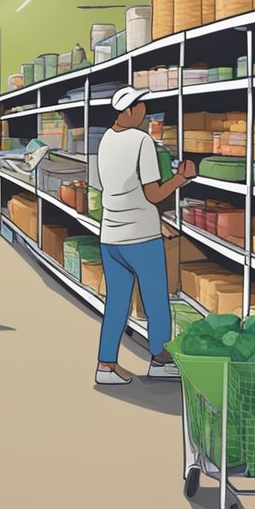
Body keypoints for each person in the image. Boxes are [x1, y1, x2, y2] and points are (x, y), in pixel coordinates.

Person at [94, 86, 196, 386]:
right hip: (141, 236)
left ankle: (106, 364)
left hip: (111, 236)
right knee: (155, 301)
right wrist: (181, 178)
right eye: (141, 107)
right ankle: (161, 361)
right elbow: (153, 194)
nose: (144, 111)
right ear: (128, 111)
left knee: (116, 303)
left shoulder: (106, 140)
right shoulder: (141, 141)